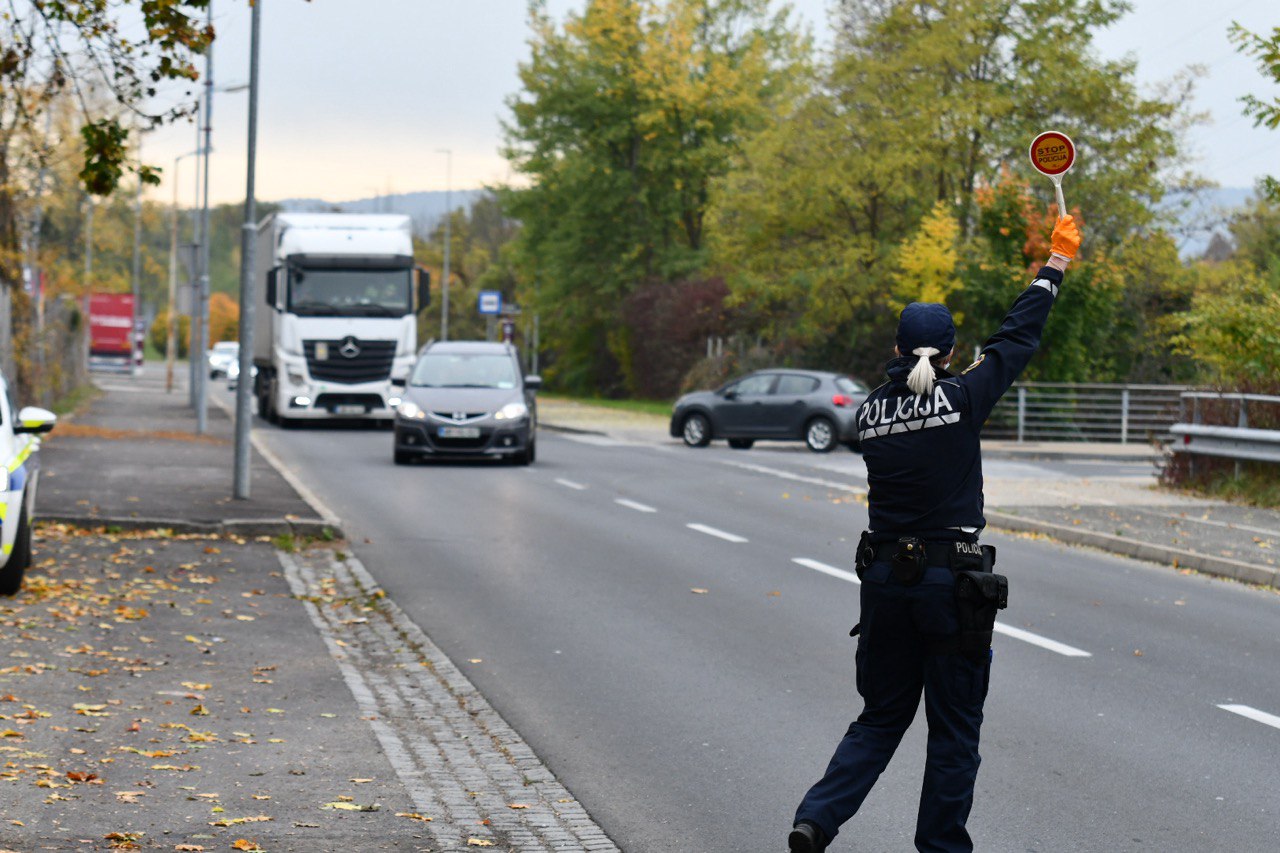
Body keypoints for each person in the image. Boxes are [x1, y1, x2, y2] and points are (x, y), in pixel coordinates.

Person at [788, 214, 1082, 853]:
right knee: (953, 733)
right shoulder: (963, 398)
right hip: (952, 588)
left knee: (880, 717)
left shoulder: (868, 412)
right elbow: (1015, 339)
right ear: (950, 352)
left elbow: (938, 381)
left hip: (886, 583)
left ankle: (815, 820)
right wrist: (1054, 266)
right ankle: (941, 848)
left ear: (896, 349)